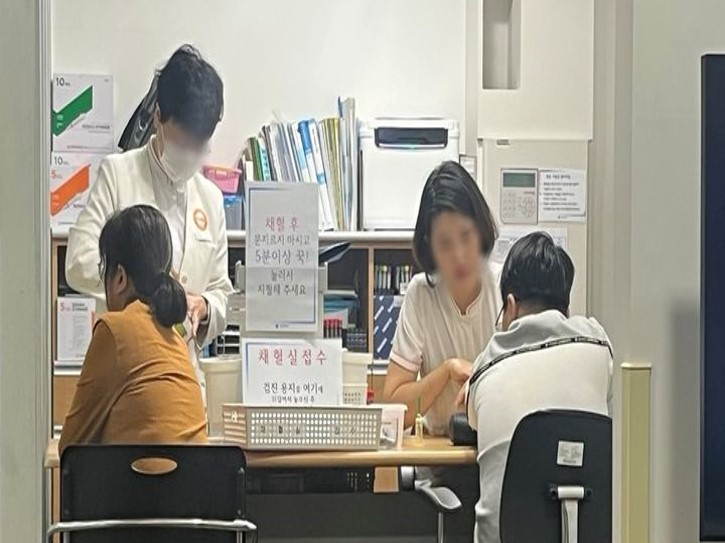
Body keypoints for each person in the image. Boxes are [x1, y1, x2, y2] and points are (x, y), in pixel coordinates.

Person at [65, 44, 233, 386]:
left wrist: (203, 307)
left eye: (199, 146)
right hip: (122, 374)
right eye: (181, 142)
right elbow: (79, 262)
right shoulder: (118, 174)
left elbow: (221, 290)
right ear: (157, 116)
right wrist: (148, 284)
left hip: (182, 379)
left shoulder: (210, 199)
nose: (189, 155)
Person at [466, 232, 613, 543]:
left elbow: (473, 422)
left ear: (510, 305)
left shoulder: (486, 368)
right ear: (565, 307)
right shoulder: (599, 347)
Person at [59, 205, 208, 456]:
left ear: (119, 277)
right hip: (196, 494)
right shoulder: (175, 339)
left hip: (136, 493)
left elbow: (71, 449)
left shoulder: (115, 330)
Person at [382, 160, 501, 435]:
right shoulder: (421, 295)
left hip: (495, 455)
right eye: (445, 244)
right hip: (436, 467)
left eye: (466, 236)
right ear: (429, 247)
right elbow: (393, 408)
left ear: (481, 230)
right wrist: (446, 372)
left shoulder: (505, 288)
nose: (458, 255)